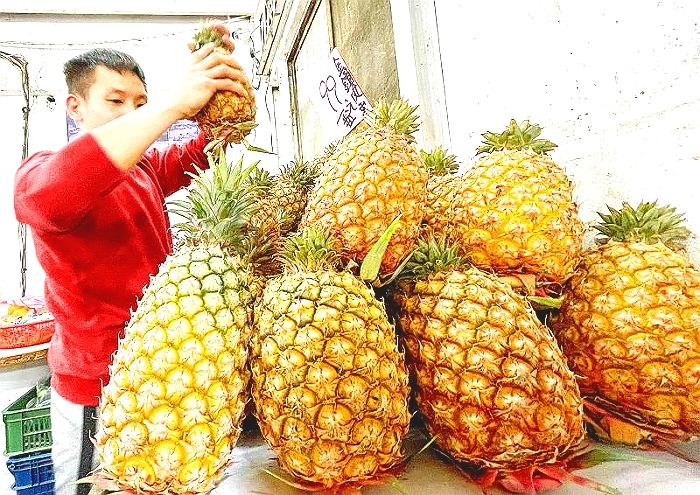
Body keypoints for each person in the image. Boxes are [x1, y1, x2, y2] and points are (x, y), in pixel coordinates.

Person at [13, 24, 250, 495]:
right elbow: (43, 198)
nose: (131, 113)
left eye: (140, 103)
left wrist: (225, 87)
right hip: (96, 390)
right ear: (74, 107)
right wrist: (169, 107)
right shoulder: (42, 168)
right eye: (115, 100)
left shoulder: (143, 167)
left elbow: (203, 151)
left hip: (168, 369)